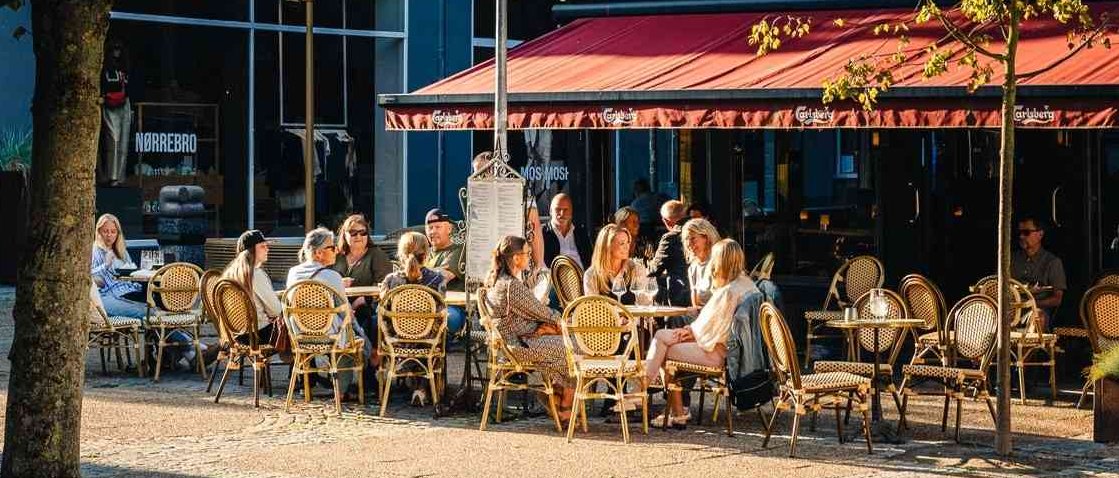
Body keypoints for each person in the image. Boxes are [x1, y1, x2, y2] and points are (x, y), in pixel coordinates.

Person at [645, 239, 757, 427]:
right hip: (732, 353)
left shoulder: (728, 292)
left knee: (662, 342)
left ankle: (642, 394)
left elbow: (710, 328)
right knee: (664, 338)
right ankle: (675, 412)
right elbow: (712, 324)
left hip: (718, 355)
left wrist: (691, 332)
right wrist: (691, 331)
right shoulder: (747, 285)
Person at [483, 235, 574, 420]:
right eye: (527, 253)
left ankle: (555, 395)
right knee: (574, 349)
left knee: (563, 347)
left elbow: (532, 310)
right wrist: (564, 320)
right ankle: (564, 405)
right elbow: (540, 311)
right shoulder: (511, 286)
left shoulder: (497, 281)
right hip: (519, 347)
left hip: (513, 344)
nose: (530, 257)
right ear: (516, 258)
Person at [286, 227, 373, 398]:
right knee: (350, 337)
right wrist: (364, 339)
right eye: (332, 247)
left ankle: (309, 386)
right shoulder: (332, 276)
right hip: (329, 335)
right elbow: (345, 312)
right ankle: (341, 392)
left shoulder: (293, 273)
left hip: (301, 333)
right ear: (318, 253)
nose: (336, 250)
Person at [380, 231, 447, 405]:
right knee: (438, 330)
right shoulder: (437, 279)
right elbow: (441, 312)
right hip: (427, 342)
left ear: (401, 254)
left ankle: (393, 384)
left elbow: (382, 311)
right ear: (427, 254)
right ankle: (423, 388)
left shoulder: (390, 281)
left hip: (397, 342)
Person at [332, 214, 392, 335]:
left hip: (367, 307)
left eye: (362, 232)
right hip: (337, 306)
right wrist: (339, 283)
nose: (358, 236)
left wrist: (362, 300)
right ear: (345, 234)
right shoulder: (337, 256)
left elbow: (386, 284)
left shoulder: (376, 255)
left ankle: (365, 350)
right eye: (353, 233)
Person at [221, 229, 283, 343]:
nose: (267, 249)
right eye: (262, 246)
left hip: (236, 334)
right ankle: (302, 360)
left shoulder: (229, 273)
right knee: (298, 326)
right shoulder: (256, 274)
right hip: (259, 334)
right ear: (251, 251)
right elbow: (276, 311)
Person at [1012, 216, 1067, 329]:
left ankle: (1033, 347)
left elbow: (1057, 299)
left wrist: (1031, 303)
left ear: (1040, 234)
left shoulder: (1052, 262)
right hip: (1011, 308)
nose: (1021, 236)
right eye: (1020, 232)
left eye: (1026, 232)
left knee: (1038, 317)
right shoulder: (1011, 259)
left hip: (1035, 309)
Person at [91, 214, 146, 318]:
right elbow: (90, 279)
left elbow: (131, 271)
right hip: (108, 296)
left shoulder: (121, 251)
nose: (109, 235)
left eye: (113, 232)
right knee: (147, 312)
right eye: (105, 231)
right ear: (98, 232)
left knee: (156, 304)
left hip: (128, 291)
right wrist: (106, 265)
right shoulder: (95, 251)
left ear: (117, 233)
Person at [423, 209, 467, 334]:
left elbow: (443, 276)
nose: (433, 231)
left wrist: (418, 272)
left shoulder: (458, 251)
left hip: (450, 306)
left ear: (449, 229)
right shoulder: (424, 252)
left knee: (444, 319)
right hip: (423, 304)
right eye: (430, 227)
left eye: (438, 227)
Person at [583, 224, 649, 304]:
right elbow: (593, 310)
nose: (627, 247)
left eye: (628, 242)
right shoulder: (591, 275)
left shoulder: (636, 269)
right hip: (605, 317)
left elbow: (645, 305)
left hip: (632, 316)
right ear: (608, 246)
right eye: (622, 243)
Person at [648, 200, 691, 306]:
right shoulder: (704, 231)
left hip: (681, 294)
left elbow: (655, 269)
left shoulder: (671, 238)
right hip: (705, 292)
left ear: (666, 221)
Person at [541, 193, 592, 269]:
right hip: (552, 279)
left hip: (581, 278)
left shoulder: (581, 233)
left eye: (565, 210)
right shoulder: (542, 233)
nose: (562, 213)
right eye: (558, 209)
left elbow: (590, 261)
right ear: (551, 211)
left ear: (571, 212)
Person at [681, 218, 721, 308]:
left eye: (693, 239)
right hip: (701, 316)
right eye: (686, 239)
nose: (688, 243)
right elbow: (695, 304)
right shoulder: (693, 268)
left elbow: (724, 300)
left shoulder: (719, 263)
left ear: (706, 238)